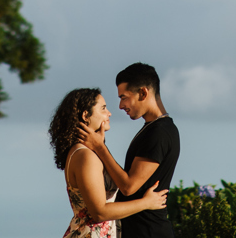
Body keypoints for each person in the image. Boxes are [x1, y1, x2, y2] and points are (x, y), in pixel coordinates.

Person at [77, 63, 181, 238]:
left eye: (124, 97)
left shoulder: (159, 133)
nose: (120, 105)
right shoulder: (153, 129)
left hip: (149, 232)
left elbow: (128, 186)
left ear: (143, 93)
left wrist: (99, 147)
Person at [50, 87, 168, 238]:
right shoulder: (85, 156)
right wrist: (146, 203)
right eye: (103, 108)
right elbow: (99, 212)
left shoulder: (86, 152)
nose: (109, 113)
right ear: (86, 115)